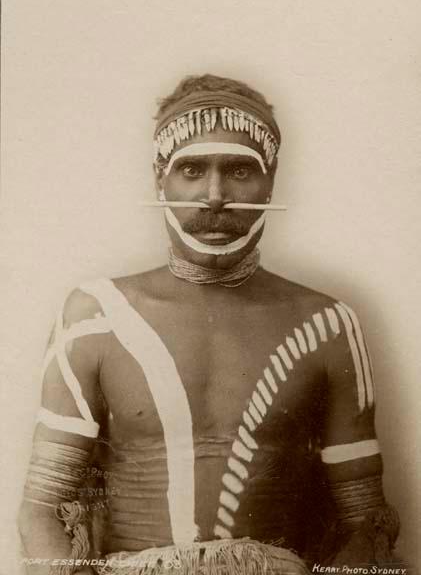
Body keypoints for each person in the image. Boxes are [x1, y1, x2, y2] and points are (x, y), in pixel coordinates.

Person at [19, 74, 400, 575]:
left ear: (272, 179)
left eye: (241, 171)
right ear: (160, 176)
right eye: (192, 169)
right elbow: (43, 511)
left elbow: (363, 523)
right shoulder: (95, 315)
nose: (215, 196)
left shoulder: (327, 325)